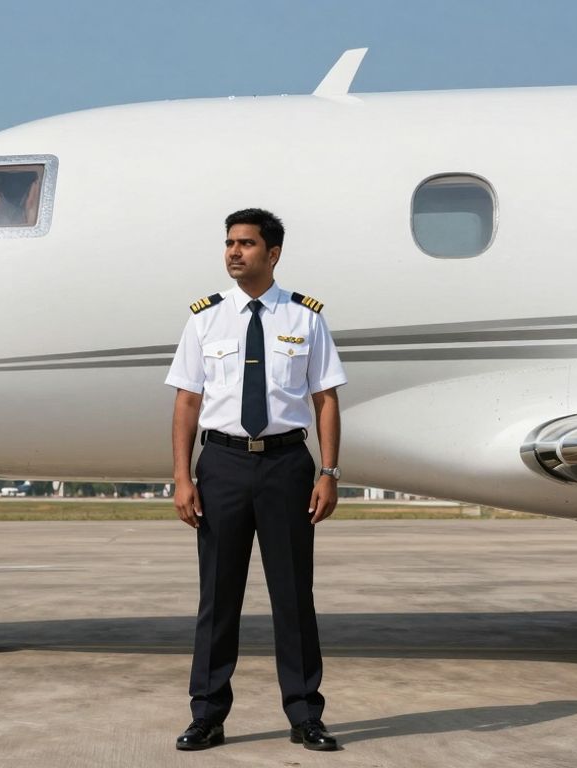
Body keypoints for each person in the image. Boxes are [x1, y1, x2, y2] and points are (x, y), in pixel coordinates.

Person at [166, 208, 346, 752]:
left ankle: (304, 714)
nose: (234, 252)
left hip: (287, 466)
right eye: (229, 243)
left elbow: (326, 400)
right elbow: (187, 401)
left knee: (294, 596)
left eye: (246, 243)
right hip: (220, 465)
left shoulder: (305, 317)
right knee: (217, 597)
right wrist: (181, 476)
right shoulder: (205, 319)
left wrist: (329, 471)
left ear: (273, 253)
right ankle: (208, 715)